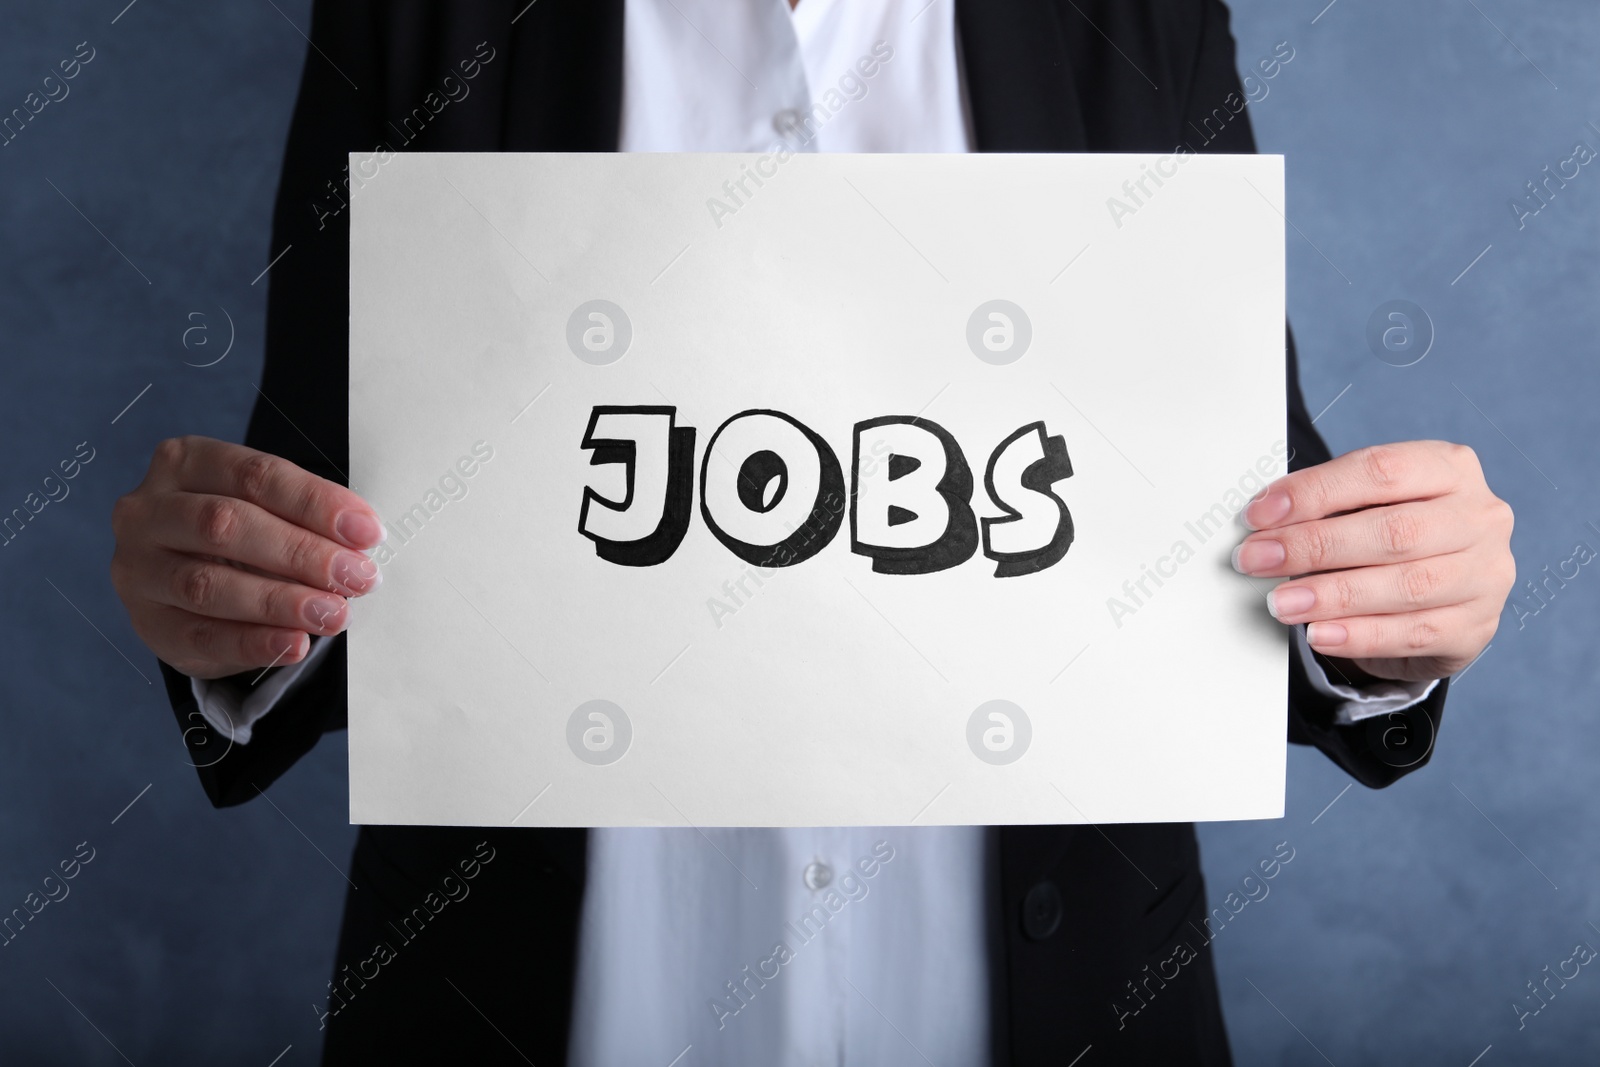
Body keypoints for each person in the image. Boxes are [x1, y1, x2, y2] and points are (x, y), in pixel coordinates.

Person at [108, 2, 1514, 1063]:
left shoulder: (1130, 12)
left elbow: (1214, 530)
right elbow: (332, 523)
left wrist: (1391, 609)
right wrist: (232, 609)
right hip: (525, 1004)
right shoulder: (425, 13)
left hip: (1069, 1000)